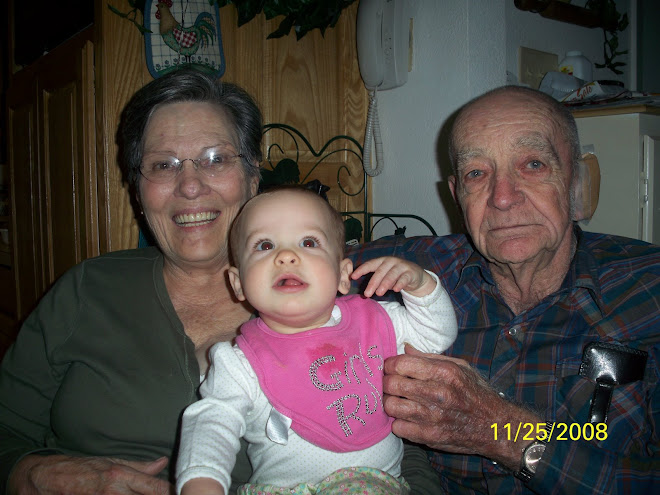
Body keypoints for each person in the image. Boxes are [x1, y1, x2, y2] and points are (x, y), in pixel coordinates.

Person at [348, 85, 660, 494]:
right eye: (477, 173)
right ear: (457, 195)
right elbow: (292, 264)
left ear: (575, 182)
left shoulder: (648, 290)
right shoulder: (417, 273)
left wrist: (499, 429)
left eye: (532, 164)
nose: (502, 197)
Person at [0, 68, 263, 494]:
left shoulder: (328, 305)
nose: (190, 186)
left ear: (253, 176)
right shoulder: (88, 289)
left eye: (216, 159)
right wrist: (36, 475)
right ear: (137, 191)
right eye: (163, 165)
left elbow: (396, 465)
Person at [175, 187, 458, 495]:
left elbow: (436, 335)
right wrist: (202, 479)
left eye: (308, 242)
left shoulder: (378, 322)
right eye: (265, 245)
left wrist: (420, 284)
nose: (285, 256)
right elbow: (212, 421)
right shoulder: (241, 363)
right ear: (238, 283)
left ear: (342, 274)